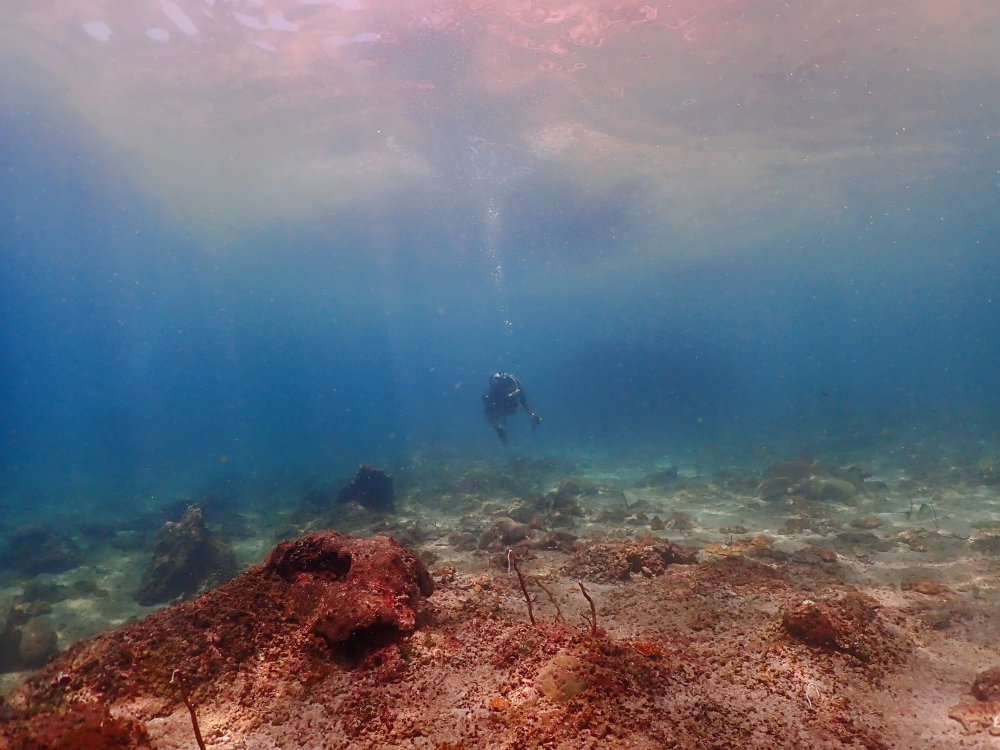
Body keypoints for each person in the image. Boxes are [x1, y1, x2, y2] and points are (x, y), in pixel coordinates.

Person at [482, 372, 542, 443]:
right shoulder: (495, 393)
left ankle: (501, 428)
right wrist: (498, 428)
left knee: (494, 413)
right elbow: (488, 413)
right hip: (503, 406)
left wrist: (533, 415)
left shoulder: (515, 388)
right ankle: (501, 428)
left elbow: (525, 402)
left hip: (507, 407)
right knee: (493, 413)